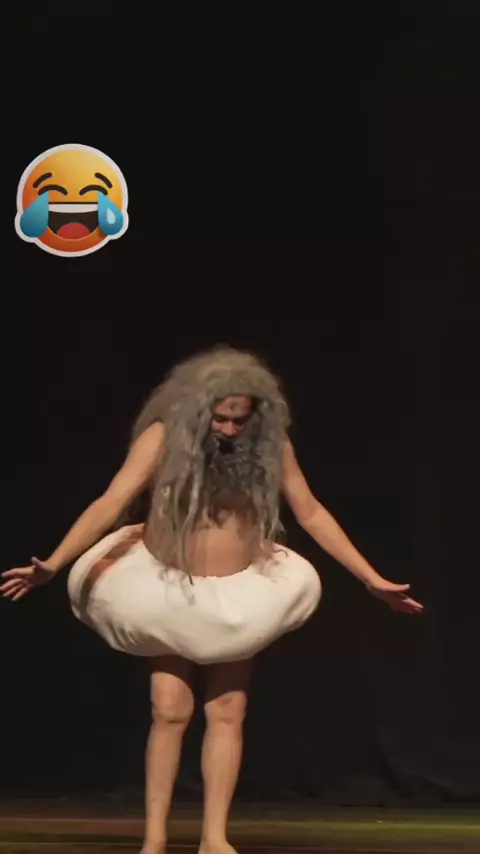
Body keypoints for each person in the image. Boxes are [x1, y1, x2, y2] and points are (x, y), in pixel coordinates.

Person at [1, 347, 423, 854]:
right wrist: (54, 563)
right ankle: (155, 838)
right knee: (169, 708)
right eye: (219, 418)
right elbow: (111, 502)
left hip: (237, 595)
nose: (227, 429)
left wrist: (371, 579)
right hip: (167, 589)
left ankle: (213, 837)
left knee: (228, 708)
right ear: (198, 408)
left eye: (238, 420)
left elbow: (310, 512)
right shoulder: (163, 438)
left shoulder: (270, 446)